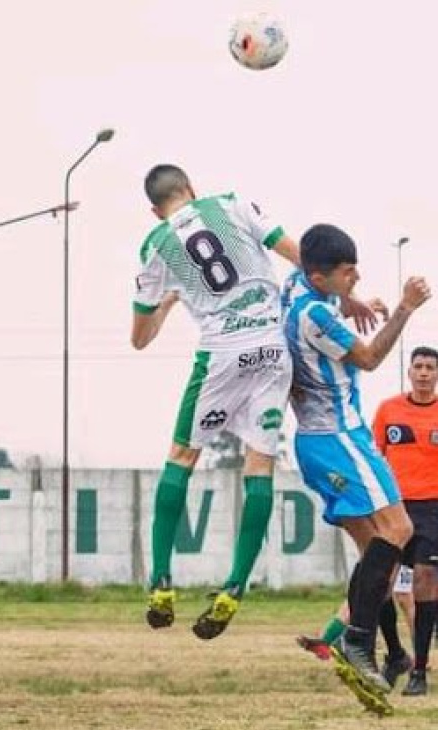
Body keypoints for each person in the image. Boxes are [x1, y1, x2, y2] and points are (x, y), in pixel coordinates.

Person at [131, 164, 300, 639]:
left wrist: (168, 302)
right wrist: (344, 295)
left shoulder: (157, 244)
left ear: (155, 209)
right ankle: (235, 587)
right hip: (271, 348)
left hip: (221, 356)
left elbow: (139, 338)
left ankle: (161, 583)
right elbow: (297, 253)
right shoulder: (231, 205)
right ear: (191, 188)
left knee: (182, 457)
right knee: (259, 466)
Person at [284, 223, 431, 714]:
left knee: (376, 555)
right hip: (339, 437)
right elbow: (367, 357)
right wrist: (405, 308)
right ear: (319, 276)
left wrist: (352, 302)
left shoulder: (298, 289)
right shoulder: (315, 315)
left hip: (316, 442)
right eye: (348, 272)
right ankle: (357, 640)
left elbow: (306, 274)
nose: (356, 277)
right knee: (399, 529)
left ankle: (388, 655)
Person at [371, 345, 438, 695]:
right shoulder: (388, 410)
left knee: (425, 581)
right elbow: (372, 459)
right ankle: (394, 655)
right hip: (394, 507)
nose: (424, 373)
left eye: (430, 367)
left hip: (434, 508)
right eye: (418, 366)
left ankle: (419, 670)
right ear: (410, 372)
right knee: (379, 582)